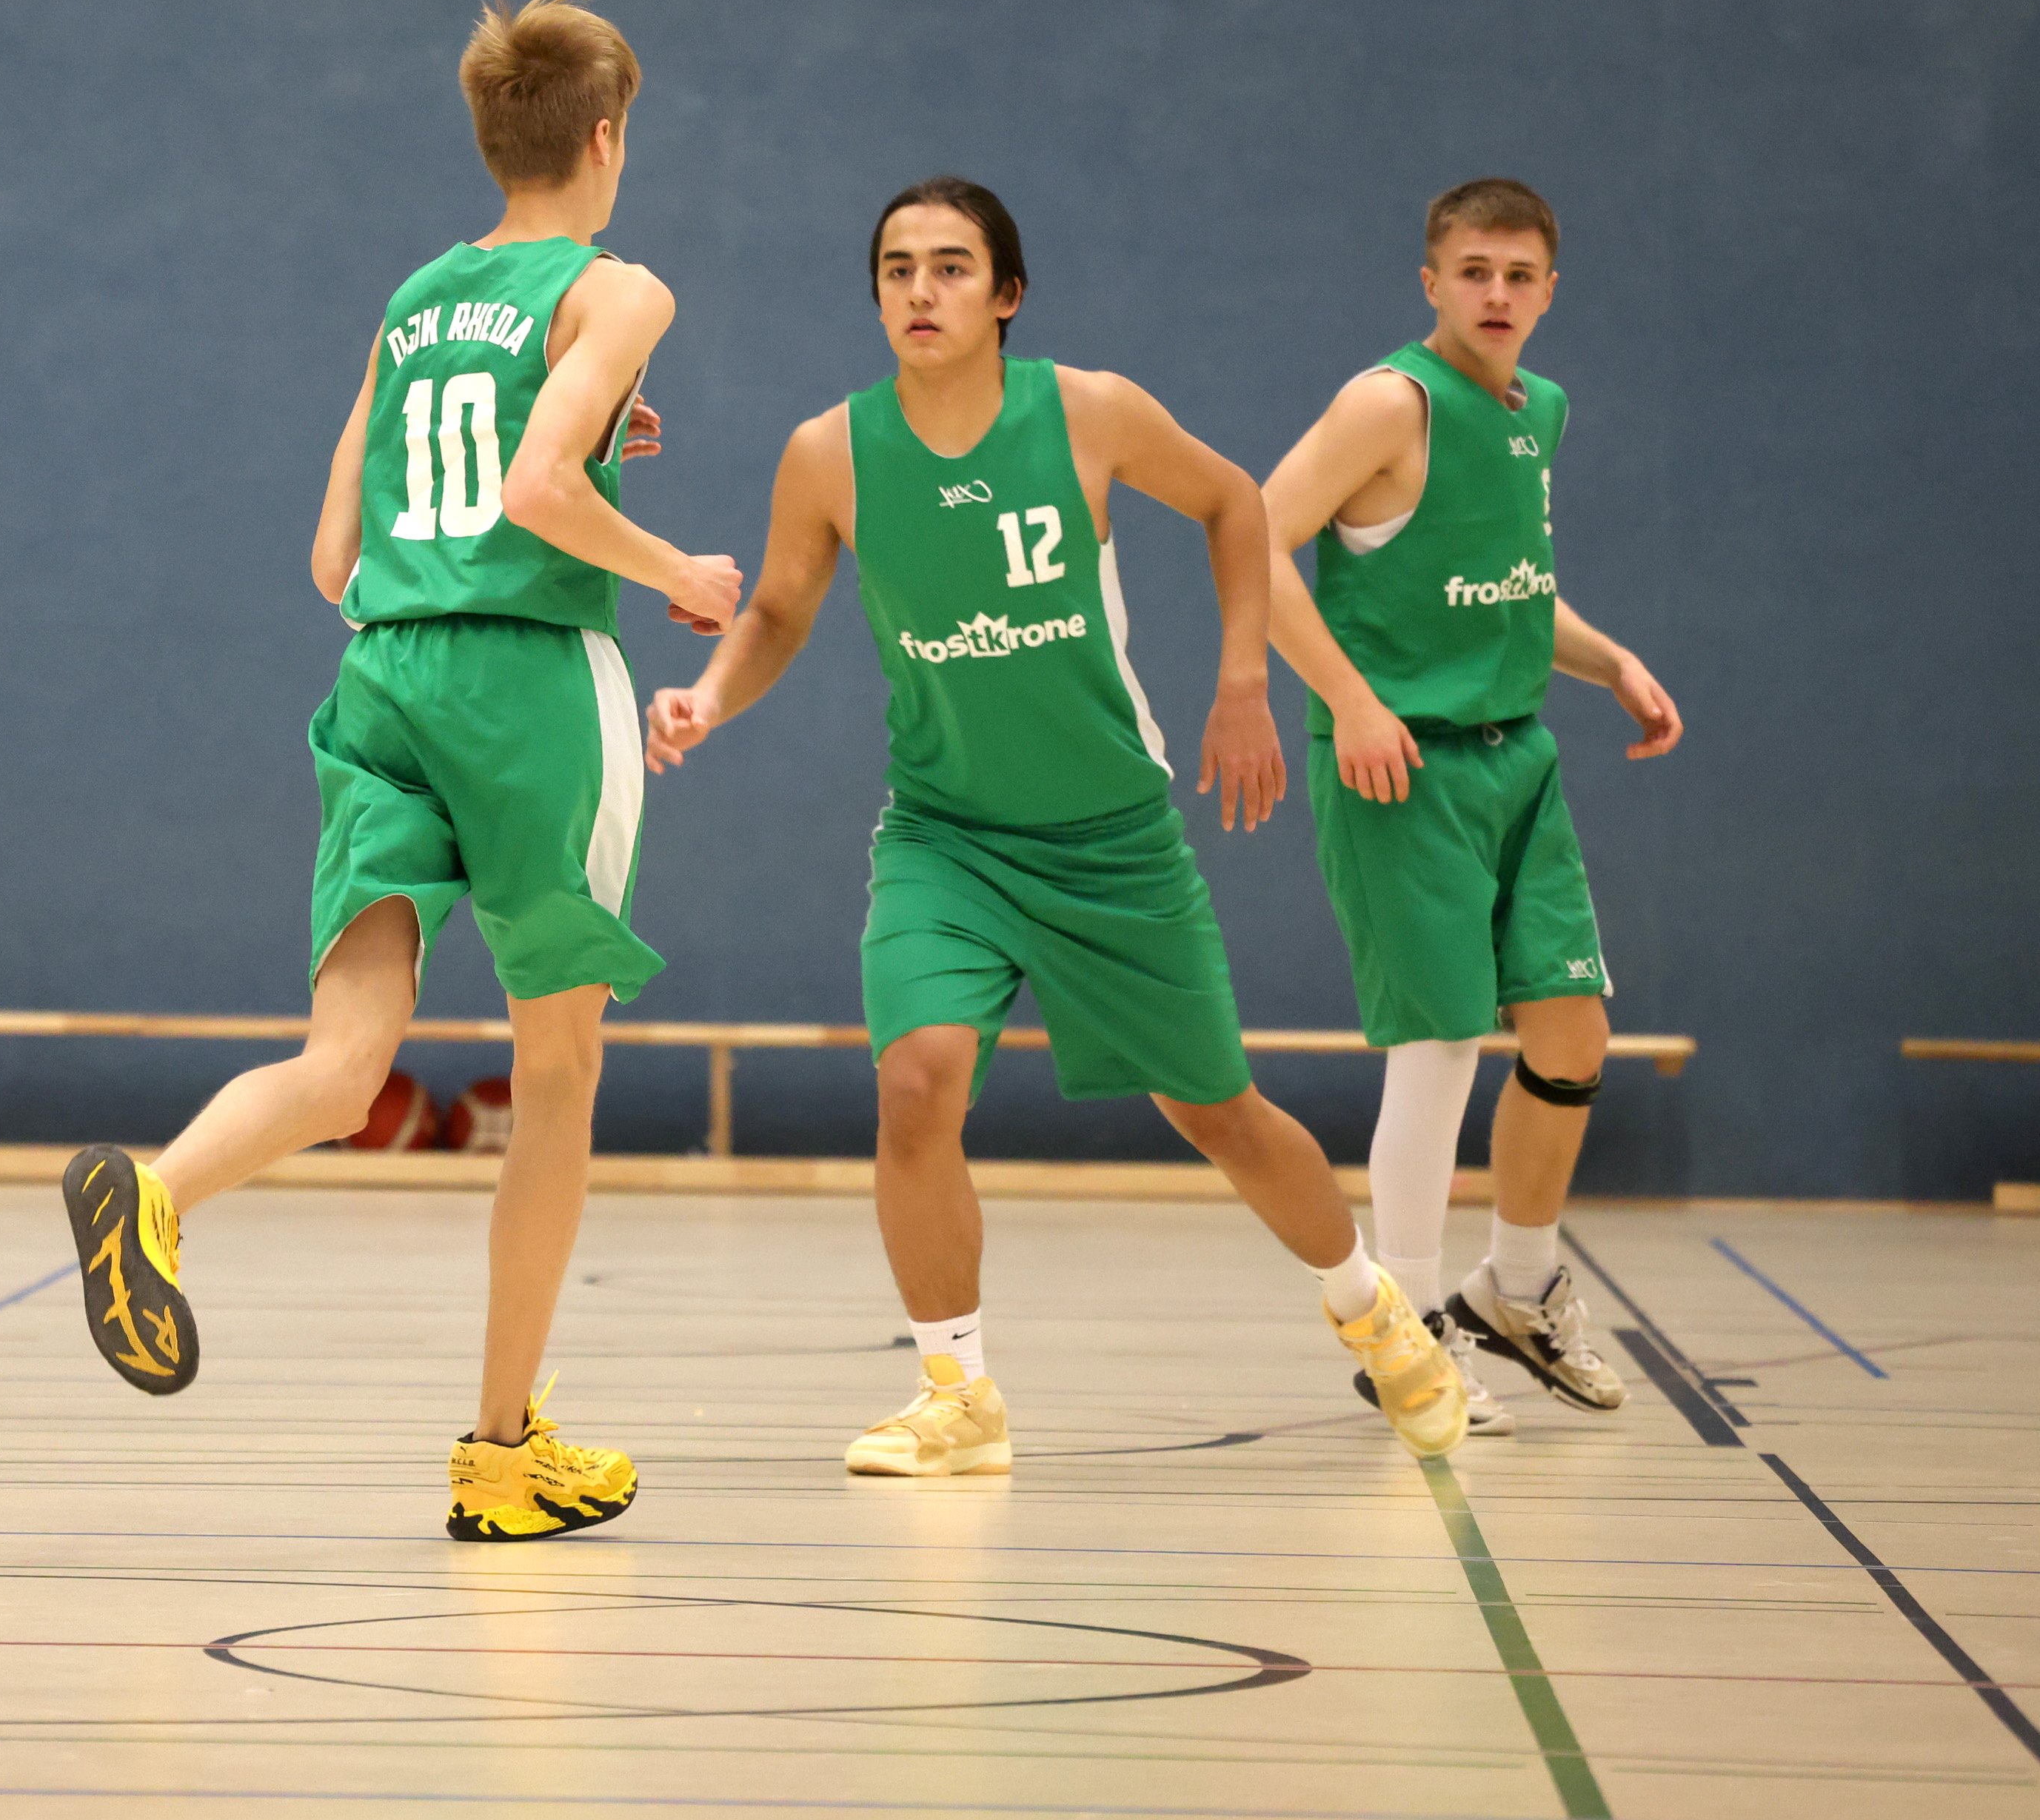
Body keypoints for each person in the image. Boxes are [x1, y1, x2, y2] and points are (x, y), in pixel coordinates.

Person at [644, 176, 1466, 1476]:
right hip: (946, 836)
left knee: (1220, 1112)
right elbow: (781, 613)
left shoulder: (1088, 411)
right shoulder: (831, 453)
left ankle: (1373, 1306)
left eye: (951, 266)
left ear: (1007, 295)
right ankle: (957, 1391)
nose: (921, 290)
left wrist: (1243, 681)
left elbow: (1236, 504)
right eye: (898, 268)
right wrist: (706, 697)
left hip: (1110, 840)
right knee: (917, 1080)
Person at [56, 0, 740, 1541]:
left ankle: (156, 1194)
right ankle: (501, 1450)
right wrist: (678, 572)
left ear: (493, 137)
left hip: (381, 675)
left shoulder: (417, 300)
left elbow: (330, 556)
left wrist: (501, 515)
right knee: (557, 1073)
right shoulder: (619, 288)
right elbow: (542, 485)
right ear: (607, 138)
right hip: (526, 685)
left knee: (346, 1062)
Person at [1260, 178, 1679, 1429]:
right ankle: (1412, 1333)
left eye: (1520, 274)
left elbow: (1506, 584)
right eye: (1475, 270)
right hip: (1400, 763)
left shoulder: (1536, 410)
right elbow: (1250, 542)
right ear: (1432, 282)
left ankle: (1521, 1285)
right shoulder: (1389, 403)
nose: (1497, 292)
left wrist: (1611, 661)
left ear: (1550, 290)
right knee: (1440, 1045)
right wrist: (1351, 699)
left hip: (1517, 757)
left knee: (1571, 1033)